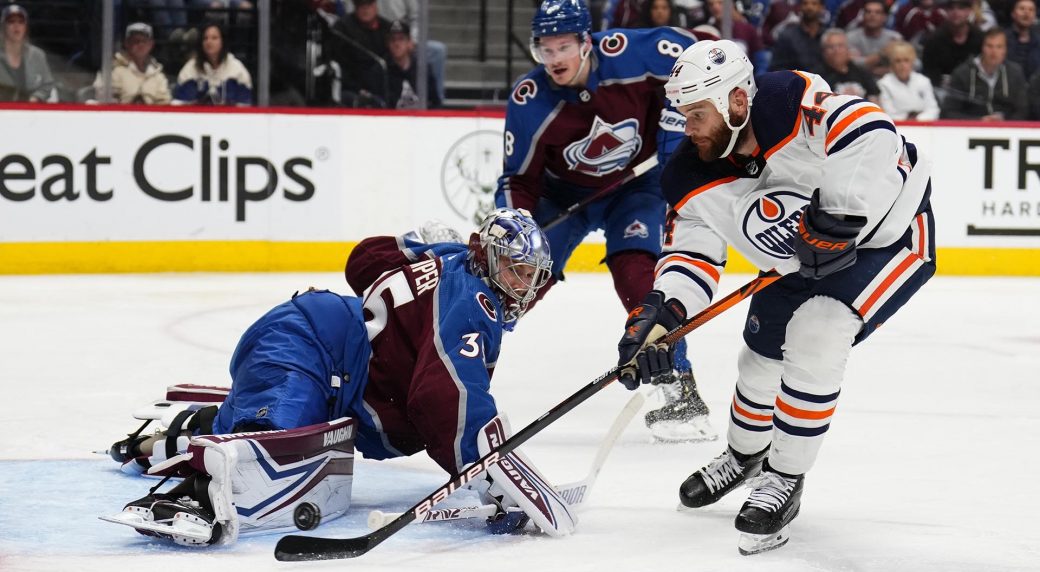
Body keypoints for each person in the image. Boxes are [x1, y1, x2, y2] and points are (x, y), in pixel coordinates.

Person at [617, 39, 935, 554]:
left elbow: (873, 128)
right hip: (796, 254)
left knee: (817, 335)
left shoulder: (791, 100)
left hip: (887, 238)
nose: (685, 128)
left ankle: (785, 478)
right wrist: (664, 311)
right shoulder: (690, 172)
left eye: (696, 114)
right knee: (759, 360)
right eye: (682, 113)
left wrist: (839, 215)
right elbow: (691, 256)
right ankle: (745, 456)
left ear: (737, 102)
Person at [102, 209, 580, 545]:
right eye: (516, 271)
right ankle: (188, 499)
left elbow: (362, 262)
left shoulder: (452, 257)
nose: (525, 285)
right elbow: (442, 398)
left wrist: (412, 244)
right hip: (307, 346)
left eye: (530, 274)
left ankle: (179, 434)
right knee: (270, 459)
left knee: (301, 440)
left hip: (323, 359)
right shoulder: (474, 304)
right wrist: (493, 470)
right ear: (491, 260)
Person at [495, 0, 716, 443]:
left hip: (636, 189)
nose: (554, 59)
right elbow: (518, 178)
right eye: (545, 49)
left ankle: (677, 386)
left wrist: (676, 129)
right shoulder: (531, 99)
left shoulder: (630, 55)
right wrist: (517, 224)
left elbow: (696, 52)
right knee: (512, 284)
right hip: (562, 197)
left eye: (563, 47)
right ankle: (460, 363)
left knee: (638, 276)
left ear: (586, 42)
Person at [940, 27, 1029, 119]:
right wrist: (979, 121)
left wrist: (1004, 120)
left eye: (999, 47)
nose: (994, 52)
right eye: (989, 46)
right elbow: (949, 112)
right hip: (972, 130)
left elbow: (1023, 110)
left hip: (1007, 129)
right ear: (982, 48)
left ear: (1005, 50)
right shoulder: (962, 74)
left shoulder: (1015, 73)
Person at [173, 22, 253, 105]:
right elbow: (179, 104)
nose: (209, 42)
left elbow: (245, 105)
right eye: (205, 38)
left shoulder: (237, 70)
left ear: (223, 41)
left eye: (214, 38)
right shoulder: (190, 69)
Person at [92, 22, 171, 105]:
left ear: (151, 44)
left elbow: (164, 102)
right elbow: (106, 101)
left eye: (144, 41)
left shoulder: (157, 73)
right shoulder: (113, 70)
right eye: (136, 41)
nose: (140, 45)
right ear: (127, 43)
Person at [0, 4, 56, 102]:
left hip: (31, 111)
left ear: (26, 27)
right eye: (11, 22)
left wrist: (35, 98)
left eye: (21, 22)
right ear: (3, 27)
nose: (16, 26)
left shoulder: (37, 55)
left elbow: (47, 85)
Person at [922, 0, 983, 89]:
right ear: (946, 11)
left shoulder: (980, 38)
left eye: (961, 8)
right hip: (943, 92)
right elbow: (931, 79)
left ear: (969, 11)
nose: (955, 12)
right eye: (951, 8)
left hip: (974, 91)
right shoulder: (934, 41)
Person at [384, 19, 440, 108]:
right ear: (388, 43)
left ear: (409, 42)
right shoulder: (382, 70)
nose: (397, 44)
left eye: (401, 39)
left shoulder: (423, 70)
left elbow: (435, 102)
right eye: (393, 40)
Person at [878, 40, 940, 119]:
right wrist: (908, 120)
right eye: (898, 61)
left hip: (923, 124)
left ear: (912, 62)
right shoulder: (884, 83)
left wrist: (918, 120)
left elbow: (933, 108)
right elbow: (888, 112)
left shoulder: (923, 81)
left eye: (906, 60)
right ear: (892, 63)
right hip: (898, 126)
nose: (902, 65)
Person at [820, 28, 881, 101]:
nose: (836, 51)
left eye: (840, 46)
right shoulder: (818, 77)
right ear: (824, 52)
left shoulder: (861, 72)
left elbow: (875, 98)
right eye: (831, 47)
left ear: (848, 49)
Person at [846, 0, 903, 77]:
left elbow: (914, 64)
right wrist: (884, 52)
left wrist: (890, 70)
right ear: (863, 16)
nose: (872, 15)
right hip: (860, 82)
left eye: (877, 12)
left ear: (885, 17)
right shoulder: (850, 38)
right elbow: (854, 64)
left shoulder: (895, 38)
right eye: (868, 12)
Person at [769, 0, 828, 73]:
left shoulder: (829, 36)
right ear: (800, 7)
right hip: (797, 81)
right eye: (805, 3)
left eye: (814, 4)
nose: (809, 7)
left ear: (822, 7)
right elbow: (776, 67)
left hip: (826, 81)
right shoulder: (787, 36)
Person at [1005, 0, 1040, 79]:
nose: (1026, 13)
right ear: (1013, 14)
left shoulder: (1038, 41)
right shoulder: (1002, 39)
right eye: (1022, 8)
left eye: (1031, 10)